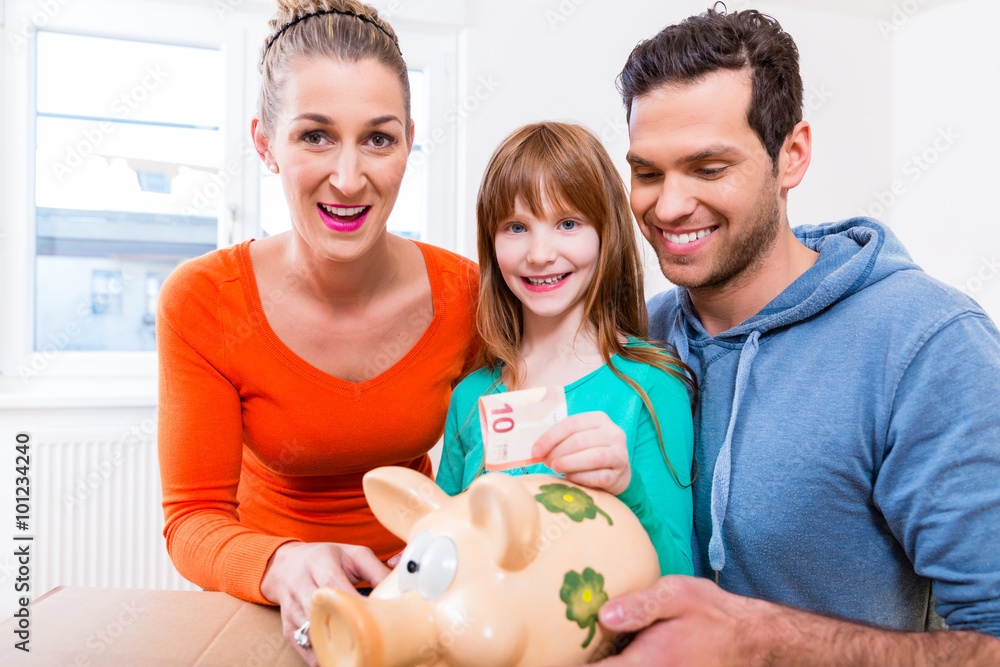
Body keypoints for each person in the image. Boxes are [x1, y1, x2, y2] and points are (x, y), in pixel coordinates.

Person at [584, 7, 1000, 665]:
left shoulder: (926, 344)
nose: (667, 206)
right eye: (648, 172)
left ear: (792, 156)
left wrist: (760, 638)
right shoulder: (630, 336)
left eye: (708, 168)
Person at [155, 1, 478, 663]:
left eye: (379, 138)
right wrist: (285, 565)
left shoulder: (468, 295)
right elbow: (193, 519)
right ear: (264, 143)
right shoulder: (204, 300)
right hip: (269, 596)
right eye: (315, 135)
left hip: (421, 591)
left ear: (409, 143)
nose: (349, 177)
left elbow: (498, 470)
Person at [437, 122, 697, 577]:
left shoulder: (652, 388)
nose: (540, 254)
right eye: (516, 227)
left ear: (606, 233)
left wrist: (626, 488)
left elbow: (678, 577)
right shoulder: (469, 398)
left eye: (568, 224)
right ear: (491, 242)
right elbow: (443, 552)